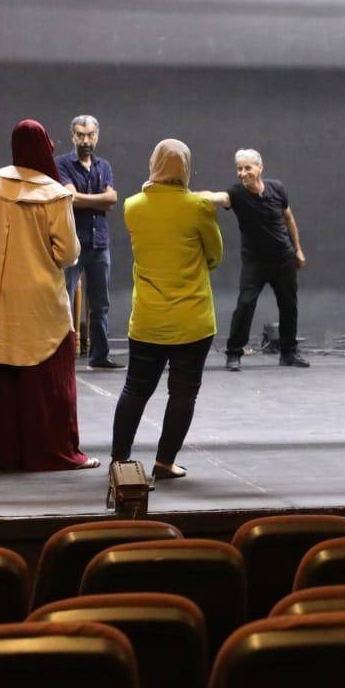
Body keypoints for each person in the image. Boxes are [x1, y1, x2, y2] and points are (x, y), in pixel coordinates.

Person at [0, 119, 98, 470]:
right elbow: (67, 253)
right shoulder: (55, 195)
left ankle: (2, 453)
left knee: (0, 372)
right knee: (47, 378)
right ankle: (50, 451)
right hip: (39, 300)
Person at [111, 139, 223, 480]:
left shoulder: (133, 206)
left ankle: (119, 460)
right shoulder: (199, 206)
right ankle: (164, 463)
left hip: (148, 319)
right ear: (186, 167)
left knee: (135, 389)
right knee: (183, 393)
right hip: (193, 321)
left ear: (153, 163)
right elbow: (215, 255)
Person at [212, 149, 309, 371]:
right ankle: (234, 354)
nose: (242, 173)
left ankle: (288, 353)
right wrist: (187, 195)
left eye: (247, 168)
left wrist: (298, 250)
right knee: (245, 304)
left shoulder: (277, 188)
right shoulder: (236, 193)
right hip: (255, 263)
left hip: (283, 258)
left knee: (289, 305)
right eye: (239, 169)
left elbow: (289, 219)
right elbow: (218, 197)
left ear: (260, 168)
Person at [55, 114, 121, 369]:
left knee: (100, 304)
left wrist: (85, 199)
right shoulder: (62, 164)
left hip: (99, 243)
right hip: (73, 243)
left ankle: (100, 356)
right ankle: (61, 356)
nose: (85, 140)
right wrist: (101, 199)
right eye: (80, 135)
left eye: (90, 135)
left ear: (97, 136)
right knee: (64, 300)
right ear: (73, 136)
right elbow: (69, 198)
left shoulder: (104, 166)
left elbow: (112, 200)